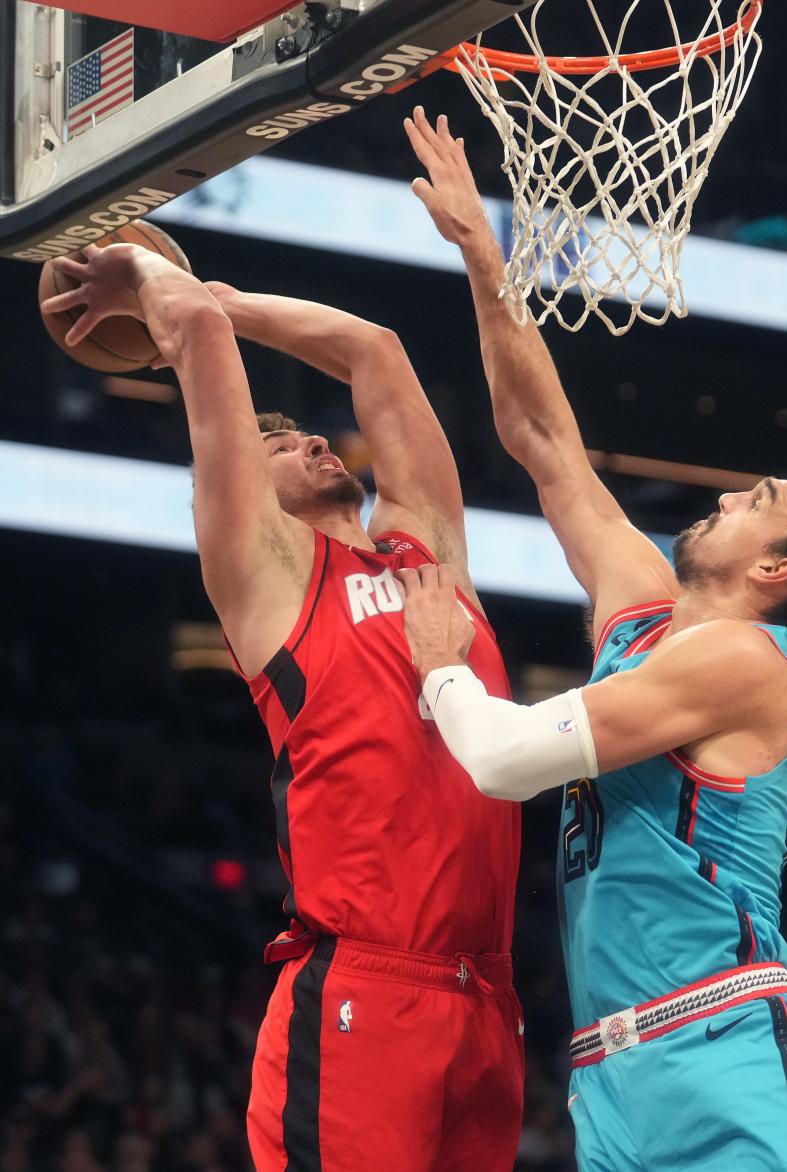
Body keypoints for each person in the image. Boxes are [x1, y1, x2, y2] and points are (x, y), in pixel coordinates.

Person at [398, 106, 787, 1171]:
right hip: (614, 1078)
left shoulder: (745, 661)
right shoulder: (651, 616)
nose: (727, 496)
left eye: (757, 498)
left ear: (774, 570)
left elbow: (504, 756)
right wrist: (484, 255)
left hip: (727, 1053)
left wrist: (439, 667)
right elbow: (542, 442)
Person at [40, 251, 524, 1171]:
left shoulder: (427, 557)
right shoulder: (269, 581)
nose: (311, 441)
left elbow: (375, 351)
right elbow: (203, 342)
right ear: (246, 493)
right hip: (365, 990)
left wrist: (219, 296)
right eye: (280, 445)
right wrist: (143, 276)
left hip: (486, 994)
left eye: (309, 433)